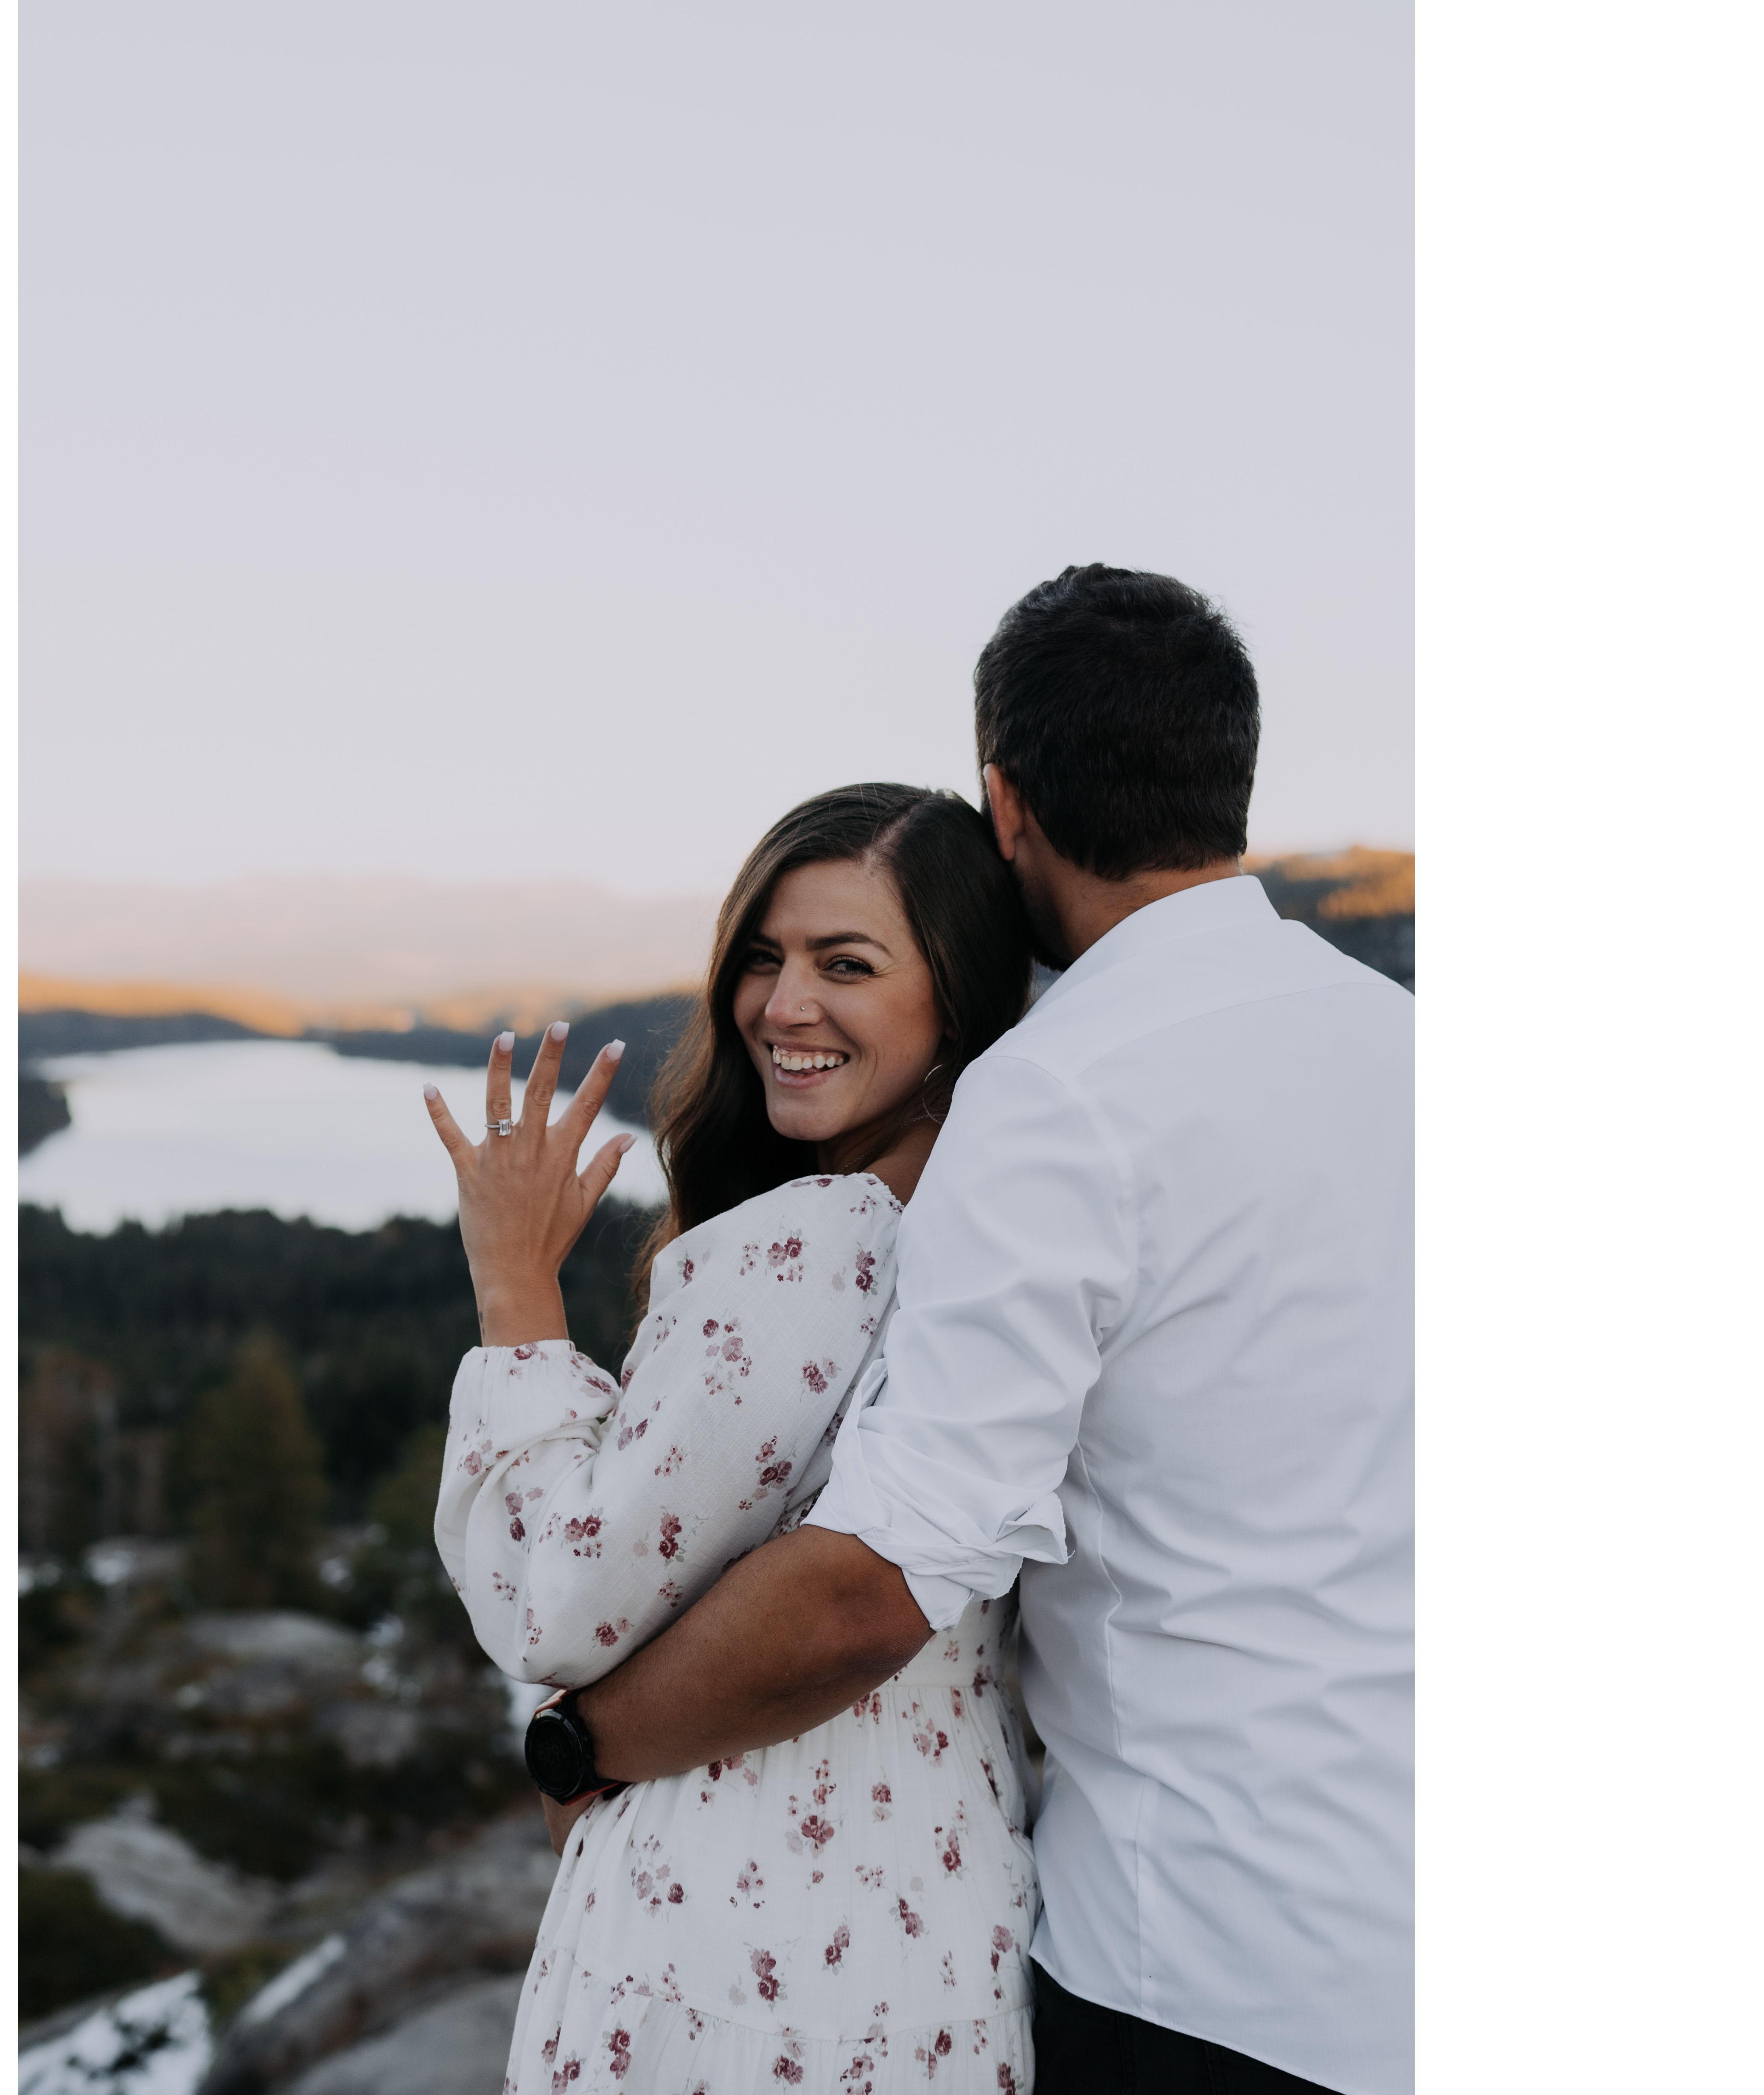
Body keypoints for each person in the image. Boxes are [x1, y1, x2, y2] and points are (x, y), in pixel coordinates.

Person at [554, 566, 1416, 2095]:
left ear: (1005, 802)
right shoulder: (1408, 1045)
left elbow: (879, 1581)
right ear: (1229, 778)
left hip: (1202, 1970)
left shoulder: (1064, 1087)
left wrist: (582, 1743)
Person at [423, 783, 1042, 2095]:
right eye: (763, 956)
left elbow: (558, 1600)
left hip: (732, 1948)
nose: (782, 1004)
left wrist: (514, 1287)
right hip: (943, 1932)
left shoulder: (812, 1247)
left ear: (958, 1000)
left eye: (846, 964)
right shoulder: (1005, 1240)